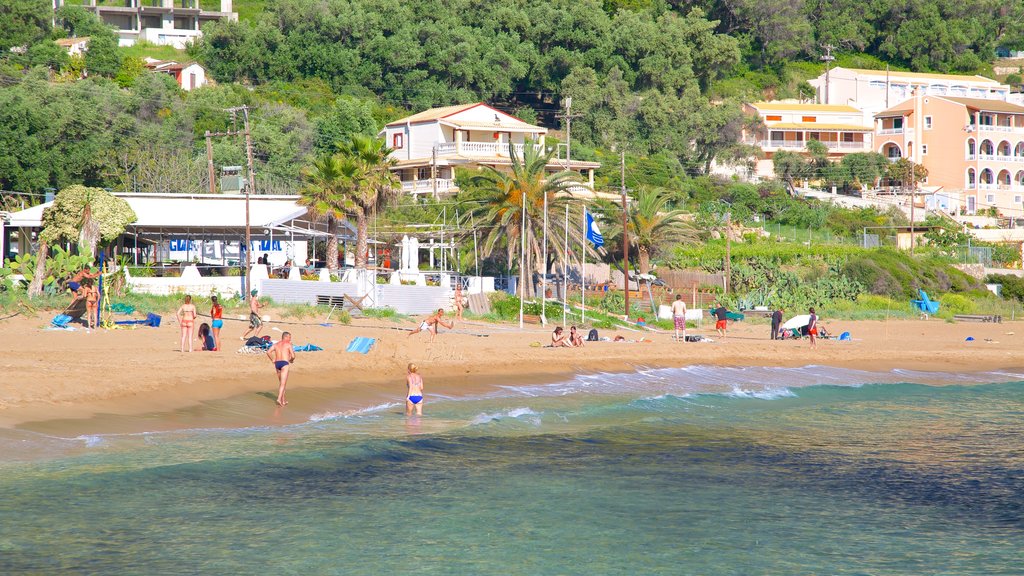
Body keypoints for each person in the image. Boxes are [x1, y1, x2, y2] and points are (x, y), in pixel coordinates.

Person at [266, 331, 296, 407]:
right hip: (284, 364)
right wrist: (291, 360)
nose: (290, 339)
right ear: (285, 337)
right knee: (283, 384)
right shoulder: (288, 344)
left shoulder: (276, 344)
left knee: (282, 383)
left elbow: (268, 352)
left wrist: (272, 360)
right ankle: (279, 399)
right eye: (289, 337)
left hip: (277, 364)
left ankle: (283, 400)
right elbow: (293, 356)